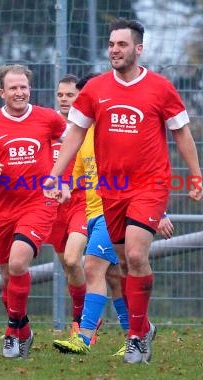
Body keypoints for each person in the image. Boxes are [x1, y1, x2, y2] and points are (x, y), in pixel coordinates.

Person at [44, 18, 203, 365]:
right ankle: (143, 328)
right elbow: (73, 134)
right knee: (121, 266)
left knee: (134, 255)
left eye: (122, 45)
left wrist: (195, 175)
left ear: (138, 49)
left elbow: (181, 133)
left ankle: (134, 337)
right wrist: (56, 175)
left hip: (150, 185)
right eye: (111, 44)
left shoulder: (160, 88)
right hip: (110, 190)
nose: (114, 50)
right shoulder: (95, 89)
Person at [52, 74, 175, 356]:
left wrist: (161, 211)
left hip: (117, 211)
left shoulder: (119, 131)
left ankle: (83, 337)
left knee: (92, 267)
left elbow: (144, 174)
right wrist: (64, 188)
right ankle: (138, 330)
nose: (80, 104)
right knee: (115, 278)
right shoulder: (81, 137)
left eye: (81, 98)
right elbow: (79, 176)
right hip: (95, 211)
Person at [0, 64, 66, 359]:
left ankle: (11, 332)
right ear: (2, 92)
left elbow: (72, 142)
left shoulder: (49, 119)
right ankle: (23, 330)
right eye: (13, 88)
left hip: (40, 202)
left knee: (19, 264)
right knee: (8, 282)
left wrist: (62, 176)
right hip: (6, 209)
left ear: (30, 89)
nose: (19, 92)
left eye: (23, 87)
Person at [46, 74, 88, 336]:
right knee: (68, 266)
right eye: (60, 95)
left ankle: (83, 323)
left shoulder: (86, 127)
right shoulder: (46, 125)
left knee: (74, 259)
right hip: (53, 207)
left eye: (70, 95)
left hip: (82, 202)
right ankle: (81, 319)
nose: (64, 99)